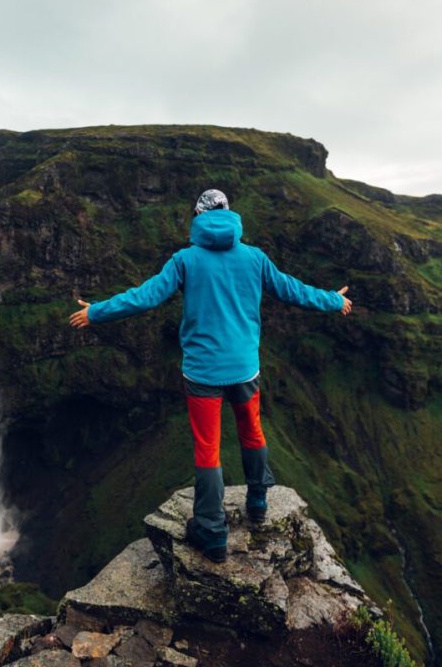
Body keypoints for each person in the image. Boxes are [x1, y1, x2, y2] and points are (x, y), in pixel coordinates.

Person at [69, 189, 352, 563]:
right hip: (244, 367)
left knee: (208, 447)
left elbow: (146, 296)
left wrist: (98, 311)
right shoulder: (255, 257)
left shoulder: (185, 259)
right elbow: (292, 290)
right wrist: (334, 299)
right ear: (230, 215)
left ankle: (212, 532)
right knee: (251, 430)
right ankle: (258, 503)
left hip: (203, 372)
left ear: (198, 215)